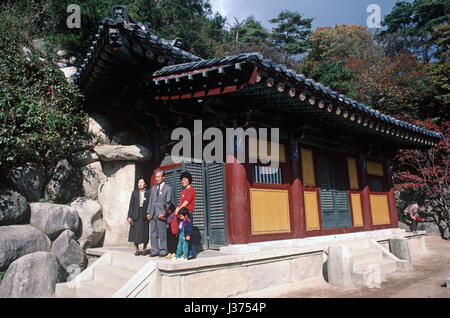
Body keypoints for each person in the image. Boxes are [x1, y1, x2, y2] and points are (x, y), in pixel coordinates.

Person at [146, 170, 172, 257]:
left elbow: (168, 203)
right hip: (153, 213)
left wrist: (164, 213)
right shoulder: (153, 188)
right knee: (153, 233)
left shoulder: (168, 188)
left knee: (162, 233)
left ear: (163, 177)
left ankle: (163, 250)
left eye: (158, 176)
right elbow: (150, 201)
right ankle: (154, 251)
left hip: (161, 214)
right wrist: (148, 212)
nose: (156, 178)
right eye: (156, 177)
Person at [175, 171, 196, 259]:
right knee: (182, 235)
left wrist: (178, 209)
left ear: (189, 180)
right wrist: (176, 209)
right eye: (182, 180)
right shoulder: (183, 191)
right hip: (181, 215)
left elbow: (186, 202)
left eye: (185, 179)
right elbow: (180, 203)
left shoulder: (191, 190)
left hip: (188, 214)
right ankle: (184, 253)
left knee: (188, 233)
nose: (183, 181)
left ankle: (191, 253)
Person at [127, 177, 150, 256]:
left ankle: (144, 249)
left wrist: (149, 213)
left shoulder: (148, 193)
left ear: (145, 184)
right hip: (135, 214)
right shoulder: (134, 193)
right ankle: (137, 249)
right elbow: (131, 205)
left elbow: (150, 205)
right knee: (135, 233)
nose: (140, 184)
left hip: (144, 215)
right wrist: (129, 216)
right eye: (139, 182)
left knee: (144, 232)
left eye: (141, 182)